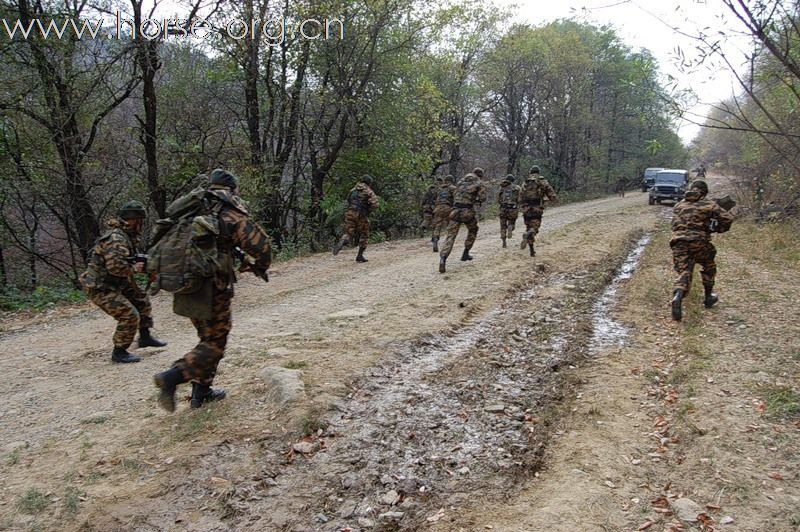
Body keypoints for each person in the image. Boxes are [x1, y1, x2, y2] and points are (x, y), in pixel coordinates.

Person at [153, 169, 272, 411]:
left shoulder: (190, 208)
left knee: (207, 337)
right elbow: (262, 246)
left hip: (183, 281)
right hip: (211, 285)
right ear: (232, 189)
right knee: (215, 342)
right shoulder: (228, 211)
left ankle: (202, 391)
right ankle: (173, 376)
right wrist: (259, 266)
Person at [79, 201, 167, 364]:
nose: (142, 224)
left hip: (115, 281)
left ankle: (145, 337)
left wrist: (149, 269)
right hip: (100, 286)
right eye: (140, 220)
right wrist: (134, 268)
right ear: (132, 220)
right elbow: (115, 268)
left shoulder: (127, 236)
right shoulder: (116, 238)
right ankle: (119, 351)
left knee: (141, 300)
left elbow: (129, 260)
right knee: (128, 314)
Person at [670, 179, 734, 321]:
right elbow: (727, 218)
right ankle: (708, 297)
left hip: (678, 243)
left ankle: (678, 295)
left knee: (684, 271)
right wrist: (717, 229)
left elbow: (674, 225)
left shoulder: (678, 205)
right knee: (709, 265)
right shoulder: (708, 204)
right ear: (704, 193)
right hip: (700, 243)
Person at [438, 167, 487, 273]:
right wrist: (476, 200)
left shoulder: (461, 181)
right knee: (473, 229)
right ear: (480, 175)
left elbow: (455, 194)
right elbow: (483, 198)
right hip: (467, 211)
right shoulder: (479, 183)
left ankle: (443, 258)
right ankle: (466, 253)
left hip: (455, 211)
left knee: (450, 236)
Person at [332, 175, 380, 262]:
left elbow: (348, 200)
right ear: (369, 183)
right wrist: (368, 210)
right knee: (364, 234)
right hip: (361, 214)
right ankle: (360, 255)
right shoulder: (368, 191)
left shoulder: (353, 190)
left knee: (349, 232)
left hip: (350, 212)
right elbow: (375, 204)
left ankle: (343, 240)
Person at [519, 166, 557, 256]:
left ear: (530, 172)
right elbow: (550, 192)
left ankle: (532, 251)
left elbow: (520, 196)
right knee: (534, 228)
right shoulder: (542, 181)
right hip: (536, 207)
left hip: (526, 208)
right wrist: (553, 200)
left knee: (528, 227)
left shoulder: (525, 182)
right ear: (538, 172)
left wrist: (521, 206)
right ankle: (529, 234)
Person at [431, 175, 456, 252]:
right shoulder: (452, 188)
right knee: (451, 225)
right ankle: (448, 242)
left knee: (438, 225)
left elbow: (434, 198)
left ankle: (435, 239)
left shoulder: (439, 189)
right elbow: (456, 197)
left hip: (438, 208)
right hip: (447, 208)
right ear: (452, 180)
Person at [497, 174, 521, 248]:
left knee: (503, 226)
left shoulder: (502, 187)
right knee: (512, 221)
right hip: (512, 208)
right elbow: (520, 199)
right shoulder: (517, 188)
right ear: (513, 180)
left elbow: (498, 199)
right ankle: (511, 226)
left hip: (503, 208)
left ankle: (504, 242)